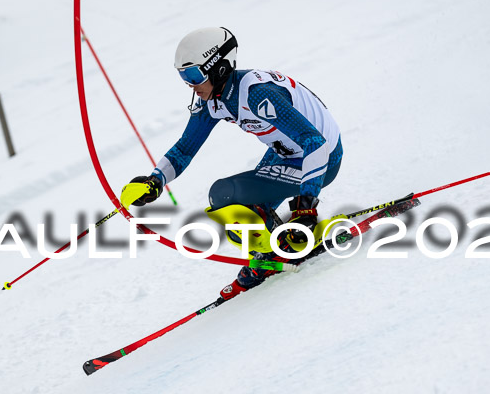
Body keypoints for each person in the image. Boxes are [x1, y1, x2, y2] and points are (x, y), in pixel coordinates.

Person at [126, 26, 343, 297]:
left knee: (223, 194)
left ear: (218, 68)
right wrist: (155, 181)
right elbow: (184, 149)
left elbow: (315, 143)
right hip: (288, 154)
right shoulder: (214, 100)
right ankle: (271, 255)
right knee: (239, 221)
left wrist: (306, 208)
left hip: (321, 159)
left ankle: (286, 247)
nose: (189, 83)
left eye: (193, 74)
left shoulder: (255, 93)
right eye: (183, 76)